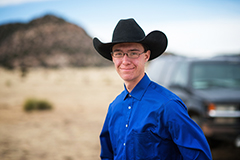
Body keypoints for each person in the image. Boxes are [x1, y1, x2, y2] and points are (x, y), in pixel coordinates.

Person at [93, 18, 212, 160]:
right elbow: (108, 155)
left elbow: (199, 157)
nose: (125, 61)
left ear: (146, 56)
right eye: (118, 53)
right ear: (113, 58)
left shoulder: (168, 105)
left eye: (133, 53)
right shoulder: (114, 107)